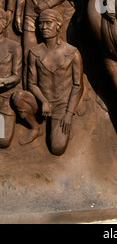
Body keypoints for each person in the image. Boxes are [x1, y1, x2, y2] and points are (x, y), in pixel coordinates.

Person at [12, 9, 83, 155]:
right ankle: (35, 128)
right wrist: (43, 100)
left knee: (57, 148)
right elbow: (31, 84)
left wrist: (69, 114)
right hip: (41, 102)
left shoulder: (72, 53)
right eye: (41, 24)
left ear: (58, 25)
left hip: (62, 105)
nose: (44, 27)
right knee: (18, 97)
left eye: (48, 23)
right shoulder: (35, 53)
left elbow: (78, 86)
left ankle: (61, 128)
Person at [0, 8, 22, 148]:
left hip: (4, 98)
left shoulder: (13, 46)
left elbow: (16, 76)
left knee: (3, 141)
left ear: (3, 23)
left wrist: (4, 81)